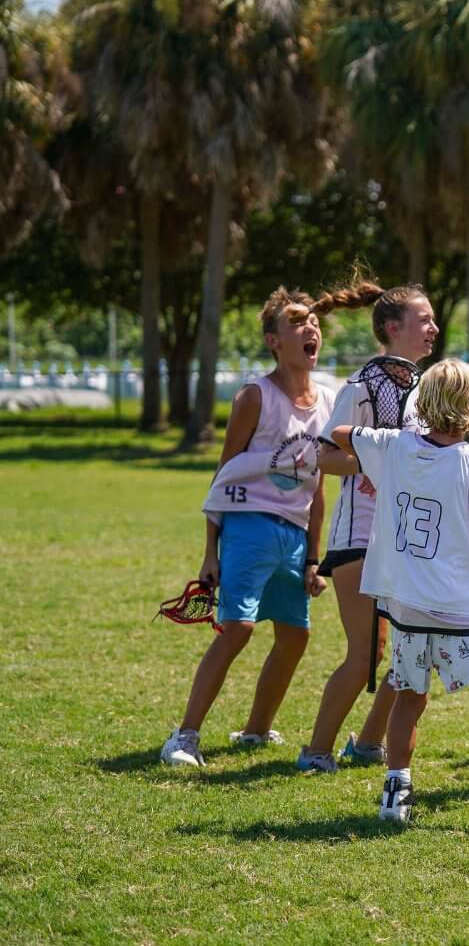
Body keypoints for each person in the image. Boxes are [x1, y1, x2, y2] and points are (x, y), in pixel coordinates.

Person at [327, 359, 469, 830]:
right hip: (458, 603)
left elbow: (342, 432)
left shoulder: (392, 446)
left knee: (408, 694)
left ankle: (395, 790)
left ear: (421, 402)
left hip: (405, 604)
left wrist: (371, 450)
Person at [160, 287, 334, 767]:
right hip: (249, 526)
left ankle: (256, 731)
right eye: (297, 323)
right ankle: (184, 736)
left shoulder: (328, 403)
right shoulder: (255, 396)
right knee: (236, 628)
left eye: (314, 322)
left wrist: (315, 557)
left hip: (294, 535)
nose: (311, 329)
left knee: (295, 636)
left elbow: (318, 487)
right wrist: (210, 551)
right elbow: (224, 473)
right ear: (273, 340)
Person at [297, 279, 440, 774]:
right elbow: (325, 457)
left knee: (409, 654)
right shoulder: (361, 385)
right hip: (360, 536)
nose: (434, 328)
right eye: (424, 320)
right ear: (392, 328)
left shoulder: (426, 390)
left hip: (407, 539)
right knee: (364, 656)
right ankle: (315, 752)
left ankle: (367, 743)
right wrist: (379, 463)